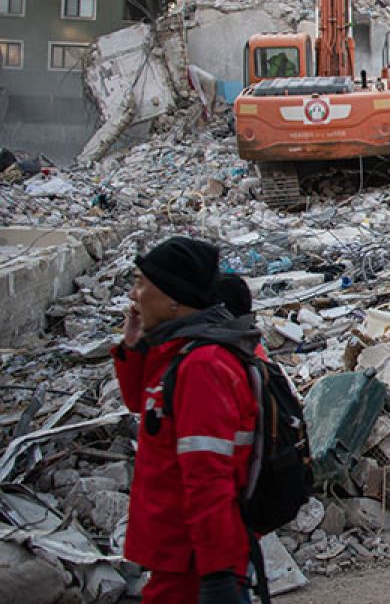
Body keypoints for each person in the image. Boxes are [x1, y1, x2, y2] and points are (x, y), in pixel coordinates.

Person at [111, 237, 261, 604]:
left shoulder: (203, 366)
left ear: (173, 299)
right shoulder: (177, 350)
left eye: (142, 283)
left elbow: (209, 476)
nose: (133, 295)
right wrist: (133, 349)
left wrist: (218, 573)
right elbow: (147, 410)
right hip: (180, 555)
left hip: (193, 558)